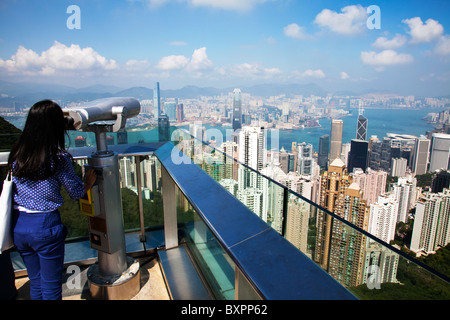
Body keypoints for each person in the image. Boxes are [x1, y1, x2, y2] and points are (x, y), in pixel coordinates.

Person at [7, 99, 97, 300]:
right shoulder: (57, 157)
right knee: (51, 285)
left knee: (35, 280)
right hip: (45, 226)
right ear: (54, 126)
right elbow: (75, 193)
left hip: (19, 226)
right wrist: (88, 183)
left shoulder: (17, 153)